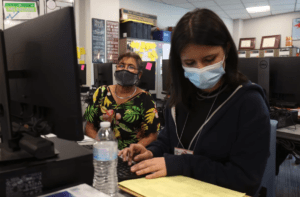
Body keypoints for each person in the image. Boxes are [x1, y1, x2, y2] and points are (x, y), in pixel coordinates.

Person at [118, 9, 270, 196]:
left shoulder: (249, 102)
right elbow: (168, 141)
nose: (200, 69)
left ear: (227, 50)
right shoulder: (179, 96)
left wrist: (182, 164)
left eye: (209, 59)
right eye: (190, 63)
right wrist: (151, 151)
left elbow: (246, 180)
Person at [84, 52, 160, 150]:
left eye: (131, 67)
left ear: (139, 74)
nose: (125, 70)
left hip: (130, 156)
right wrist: (101, 145)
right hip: (102, 152)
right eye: (121, 65)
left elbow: (152, 135)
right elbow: (89, 127)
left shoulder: (145, 98)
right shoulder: (101, 92)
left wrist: (133, 149)